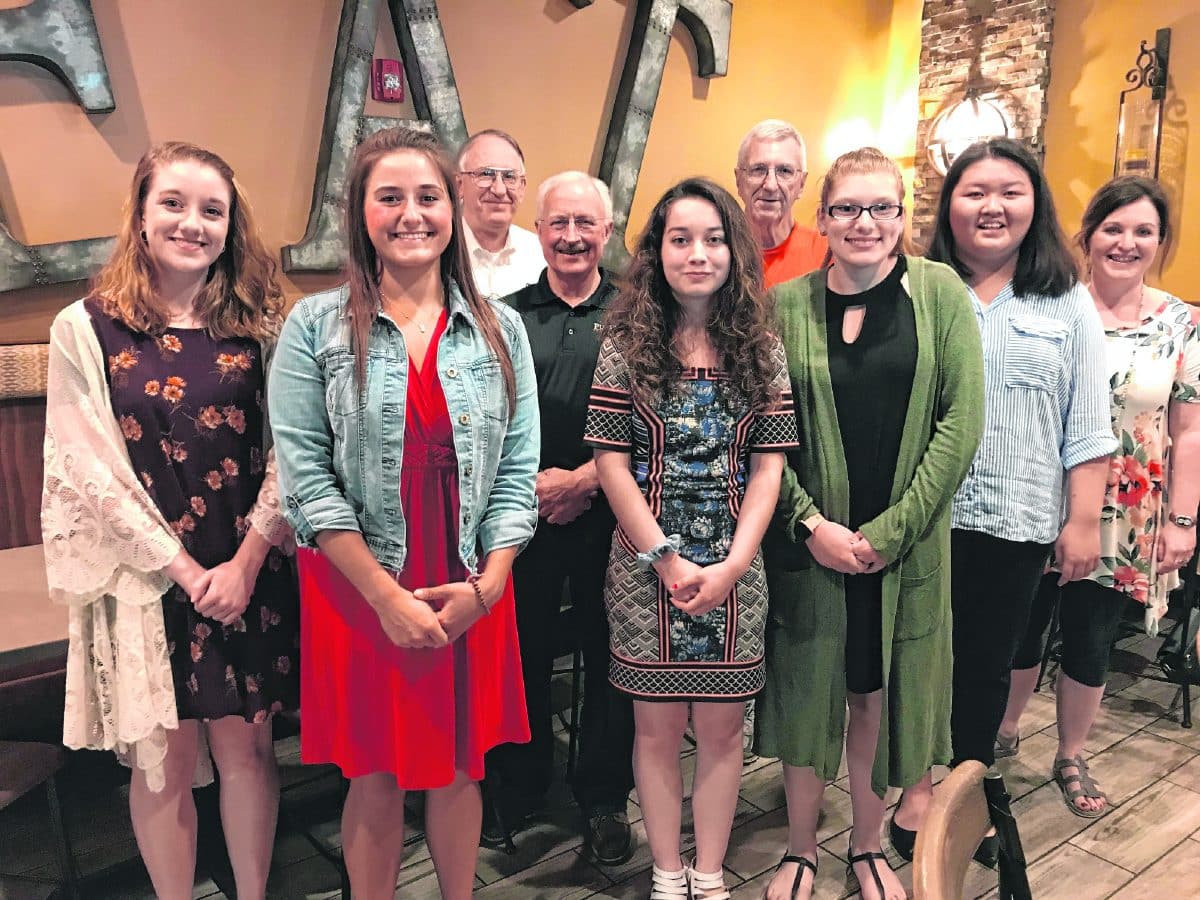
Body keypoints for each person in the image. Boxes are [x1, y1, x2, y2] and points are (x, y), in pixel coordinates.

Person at [269, 126, 540, 900]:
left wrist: (488, 587)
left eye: (427, 196)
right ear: (360, 213)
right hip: (360, 581)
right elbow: (305, 480)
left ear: (452, 208)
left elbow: (518, 469)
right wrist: (384, 598)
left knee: (459, 766)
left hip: (469, 574)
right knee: (375, 772)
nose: (411, 213)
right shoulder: (313, 327)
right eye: (389, 197)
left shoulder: (501, 328)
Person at [41, 141, 298, 900]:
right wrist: (184, 571)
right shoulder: (84, 327)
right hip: (147, 578)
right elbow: (86, 467)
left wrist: (245, 563)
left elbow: (292, 449)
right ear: (141, 214)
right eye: (174, 204)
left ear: (231, 225)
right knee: (165, 766)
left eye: (212, 210)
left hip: (247, 566)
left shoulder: (262, 323)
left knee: (249, 752)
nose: (192, 223)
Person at [758, 147, 984, 900]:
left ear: (902, 216)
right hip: (810, 550)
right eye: (847, 208)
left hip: (904, 552)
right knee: (805, 691)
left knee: (875, 694)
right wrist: (808, 524)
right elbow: (758, 431)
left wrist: (890, 534)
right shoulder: (783, 306)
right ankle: (798, 849)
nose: (864, 222)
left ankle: (864, 844)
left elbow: (961, 423)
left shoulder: (940, 293)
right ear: (822, 217)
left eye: (881, 207)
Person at [890, 138, 1117, 861]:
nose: (992, 206)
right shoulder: (915, 287)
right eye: (975, 191)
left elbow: (1088, 426)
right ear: (948, 206)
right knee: (916, 658)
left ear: (1034, 205)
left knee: (987, 665)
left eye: (1010, 192)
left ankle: (967, 792)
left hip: (1015, 520)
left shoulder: (1067, 301)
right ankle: (914, 789)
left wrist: (1083, 522)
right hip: (923, 516)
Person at [585, 177, 798, 900]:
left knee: (722, 733)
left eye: (713, 239)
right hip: (644, 571)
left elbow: (768, 469)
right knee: (653, 732)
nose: (697, 254)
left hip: (736, 570)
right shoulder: (624, 347)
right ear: (658, 251)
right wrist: (667, 559)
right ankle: (666, 872)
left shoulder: (763, 351)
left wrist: (734, 564)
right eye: (680, 239)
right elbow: (611, 464)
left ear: (735, 252)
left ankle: (709, 873)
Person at [997, 175, 1200, 817]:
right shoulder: (1051, 306)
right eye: (1113, 228)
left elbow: (1189, 431)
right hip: (1040, 497)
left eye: (1143, 231)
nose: (1126, 242)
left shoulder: (1182, 323)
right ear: (1087, 236)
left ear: (1161, 242)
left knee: (1091, 639)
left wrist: (1184, 521)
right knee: (1020, 630)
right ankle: (1002, 734)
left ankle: (1071, 754)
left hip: (1128, 514)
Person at [486, 171, 636, 863]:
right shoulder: (503, 315)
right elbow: (487, 422)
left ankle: (604, 796)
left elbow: (657, 414)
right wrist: (539, 488)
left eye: (585, 223)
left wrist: (585, 480)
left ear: (607, 230)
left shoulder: (640, 313)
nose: (572, 236)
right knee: (521, 653)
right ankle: (519, 788)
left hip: (617, 513)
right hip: (525, 514)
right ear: (539, 230)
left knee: (613, 658)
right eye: (558, 223)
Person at [734, 119, 828, 289]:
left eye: (784, 171)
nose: (770, 185)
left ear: (801, 183)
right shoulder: (716, 250)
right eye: (758, 169)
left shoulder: (826, 253)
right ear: (739, 180)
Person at [455, 128, 546, 299]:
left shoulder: (543, 255)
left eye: (509, 177)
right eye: (485, 174)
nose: (499, 189)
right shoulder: (437, 253)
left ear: (522, 188)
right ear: (459, 185)